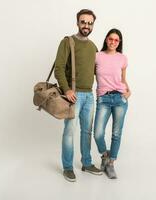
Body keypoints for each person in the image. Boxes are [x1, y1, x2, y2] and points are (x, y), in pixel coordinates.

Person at [54, 9, 102, 182]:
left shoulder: (93, 47)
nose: (86, 26)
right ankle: (67, 167)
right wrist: (67, 90)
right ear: (77, 22)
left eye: (90, 23)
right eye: (83, 22)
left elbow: (100, 72)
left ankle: (86, 163)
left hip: (89, 96)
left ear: (93, 25)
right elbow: (59, 68)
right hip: (73, 96)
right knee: (69, 132)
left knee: (86, 132)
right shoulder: (68, 42)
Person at [94, 28, 131, 179]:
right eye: (110, 39)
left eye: (116, 40)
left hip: (120, 99)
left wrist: (128, 91)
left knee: (116, 133)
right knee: (98, 133)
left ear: (119, 42)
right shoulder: (97, 56)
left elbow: (122, 80)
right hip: (103, 98)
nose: (113, 42)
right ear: (106, 39)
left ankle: (110, 164)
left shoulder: (123, 58)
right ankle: (105, 155)